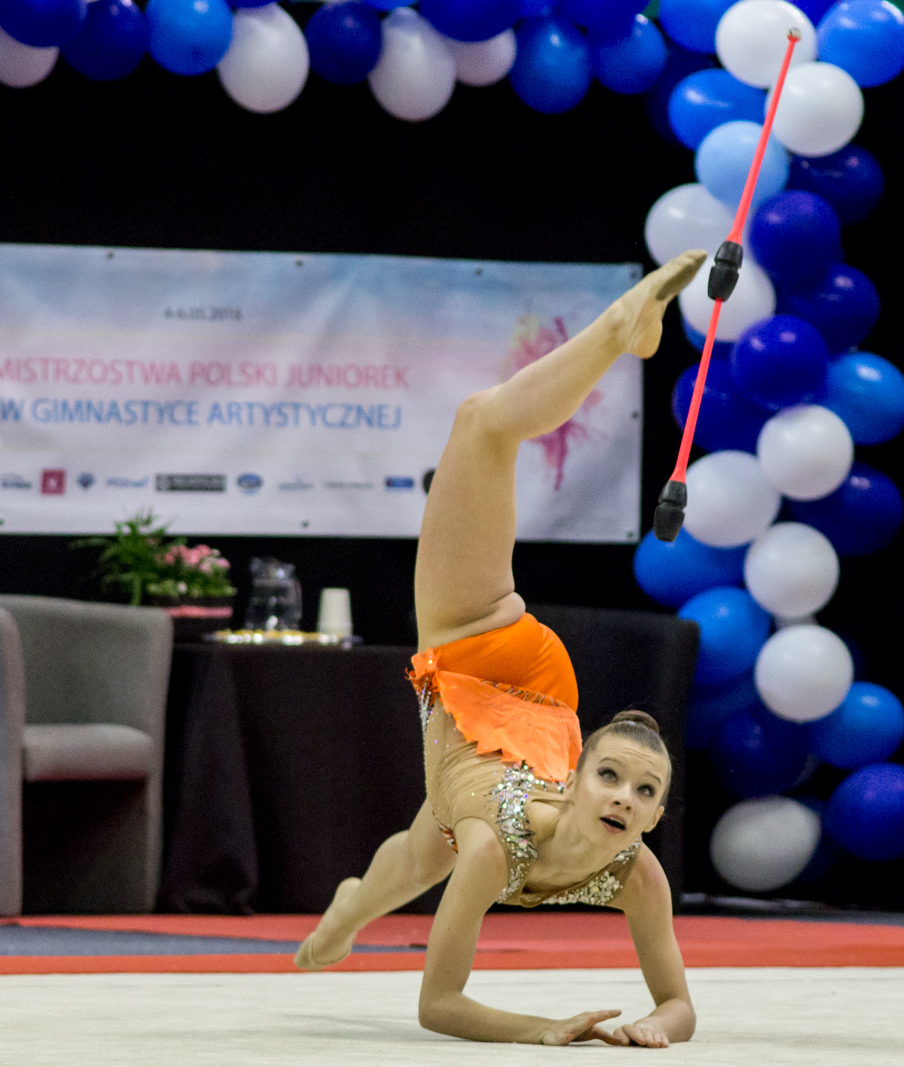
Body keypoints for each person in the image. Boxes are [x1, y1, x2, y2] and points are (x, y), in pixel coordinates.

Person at [293, 249, 708, 1047]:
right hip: (493, 660)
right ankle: (618, 329)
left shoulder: (636, 871)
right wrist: (546, 1028)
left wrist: (655, 1024)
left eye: (644, 792)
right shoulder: (496, 849)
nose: (624, 798)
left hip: (492, 746)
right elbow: (438, 1003)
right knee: (483, 423)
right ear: (577, 779)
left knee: (424, 852)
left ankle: (347, 909)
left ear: (658, 815)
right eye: (612, 776)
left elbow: (680, 1007)